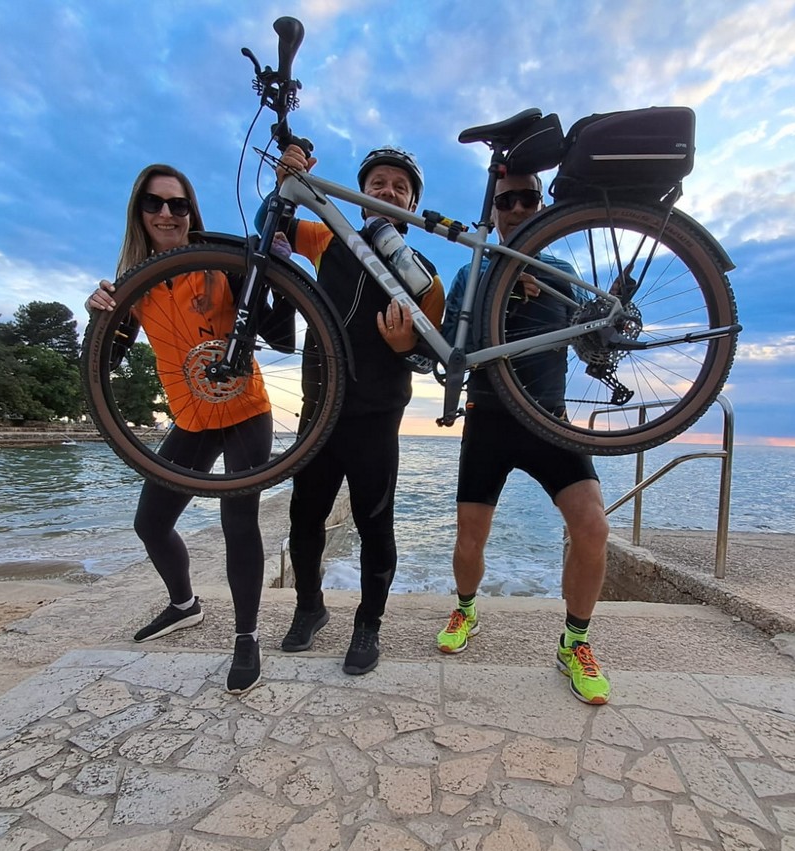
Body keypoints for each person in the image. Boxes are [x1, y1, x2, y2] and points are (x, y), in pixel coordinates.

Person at [87, 163, 282, 696]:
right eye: (154, 203)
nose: (167, 214)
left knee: (238, 522)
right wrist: (98, 312)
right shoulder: (135, 282)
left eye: (178, 204)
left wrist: (270, 273)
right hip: (191, 417)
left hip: (245, 409)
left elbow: (278, 331)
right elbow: (109, 357)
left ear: (192, 210)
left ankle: (247, 637)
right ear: (139, 212)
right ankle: (184, 605)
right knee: (150, 523)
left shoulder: (217, 262)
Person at [258, 144, 446, 675]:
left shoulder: (425, 274)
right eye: (378, 183)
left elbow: (432, 355)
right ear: (361, 194)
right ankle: (309, 608)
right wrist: (287, 179)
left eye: (400, 187)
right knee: (304, 518)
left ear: (412, 204)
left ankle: (369, 625)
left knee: (374, 524)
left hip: (377, 417)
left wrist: (405, 346)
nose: (389, 191)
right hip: (319, 411)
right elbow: (272, 222)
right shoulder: (327, 239)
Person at [436, 171, 612, 704]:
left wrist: (607, 328)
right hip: (487, 418)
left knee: (593, 528)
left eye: (527, 198)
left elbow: (590, 347)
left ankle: (574, 643)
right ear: (492, 211)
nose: (516, 208)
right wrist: (504, 296)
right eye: (505, 199)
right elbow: (449, 347)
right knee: (470, 538)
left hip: (549, 420)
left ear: (542, 205)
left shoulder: (564, 274)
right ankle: (466, 610)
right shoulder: (471, 273)